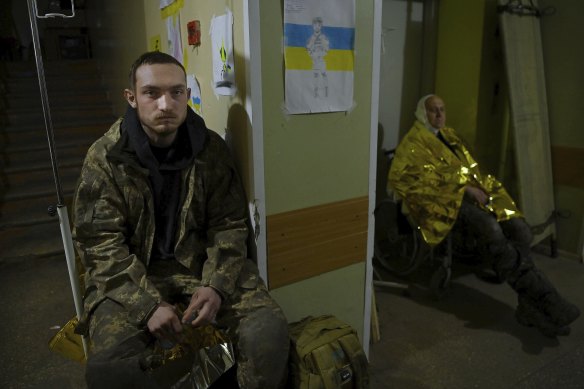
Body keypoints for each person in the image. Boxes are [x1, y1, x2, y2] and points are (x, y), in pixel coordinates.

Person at [72, 51, 290, 388]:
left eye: (176, 92)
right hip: (132, 273)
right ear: (131, 98)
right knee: (108, 369)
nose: (165, 104)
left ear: (187, 95)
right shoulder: (106, 158)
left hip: (200, 265)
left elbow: (229, 225)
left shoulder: (210, 150)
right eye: (151, 93)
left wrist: (216, 284)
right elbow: (98, 244)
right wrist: (147, 306)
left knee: (267, 330)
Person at [388, 94, 580, 337]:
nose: (439, 115)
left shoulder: (451, 136)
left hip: (472, 194)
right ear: (421, 113)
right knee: (491, 229)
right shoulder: (413, 142)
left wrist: (480, 188)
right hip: (443, 202)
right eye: (433, 110)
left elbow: (472, 168)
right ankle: (547, 298)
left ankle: (528, 304)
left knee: (520, 228)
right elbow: (408, 180)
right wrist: (464, 189)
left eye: (442, 109)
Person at [306, 16, 329, 98]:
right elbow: (308, 49)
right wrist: (312, 55)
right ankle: (315, 92)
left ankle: (326, 91)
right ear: (312, 26)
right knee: (315, 75)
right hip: (314, 61)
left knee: (324, 74)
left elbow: (327, 49)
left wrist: (321, 54)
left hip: (321, 61)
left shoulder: (324, 38)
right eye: (315, 25)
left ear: (321, 26)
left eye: (319, 25)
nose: (317, 27)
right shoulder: (311, 39)